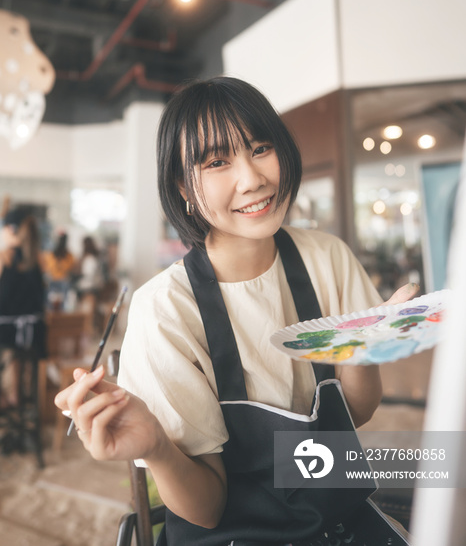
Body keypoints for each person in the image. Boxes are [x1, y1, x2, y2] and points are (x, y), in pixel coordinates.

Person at [56, 77, 415, 545]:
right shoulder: (165, 309)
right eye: (218, 162)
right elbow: (207, 511)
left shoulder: (326, 257)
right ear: (184, 185)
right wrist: (160, 449)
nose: (253, 179)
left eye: (261, 148)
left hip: (334, 520)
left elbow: (357, 413)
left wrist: (364, 351)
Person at [0, 208, 46, 405]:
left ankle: (5, 399)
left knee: (9, 350)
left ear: (11, 230)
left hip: (6, 332)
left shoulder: (4, 257)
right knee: (15, 354)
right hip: (34, 334)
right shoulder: (39, 260)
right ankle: (17, 396)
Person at [41, 231, 77, 310]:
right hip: (56, 282)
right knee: (59, 303)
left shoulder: (51, 255)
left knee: (54, 303)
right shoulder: (68, 256)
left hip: (59, 282)